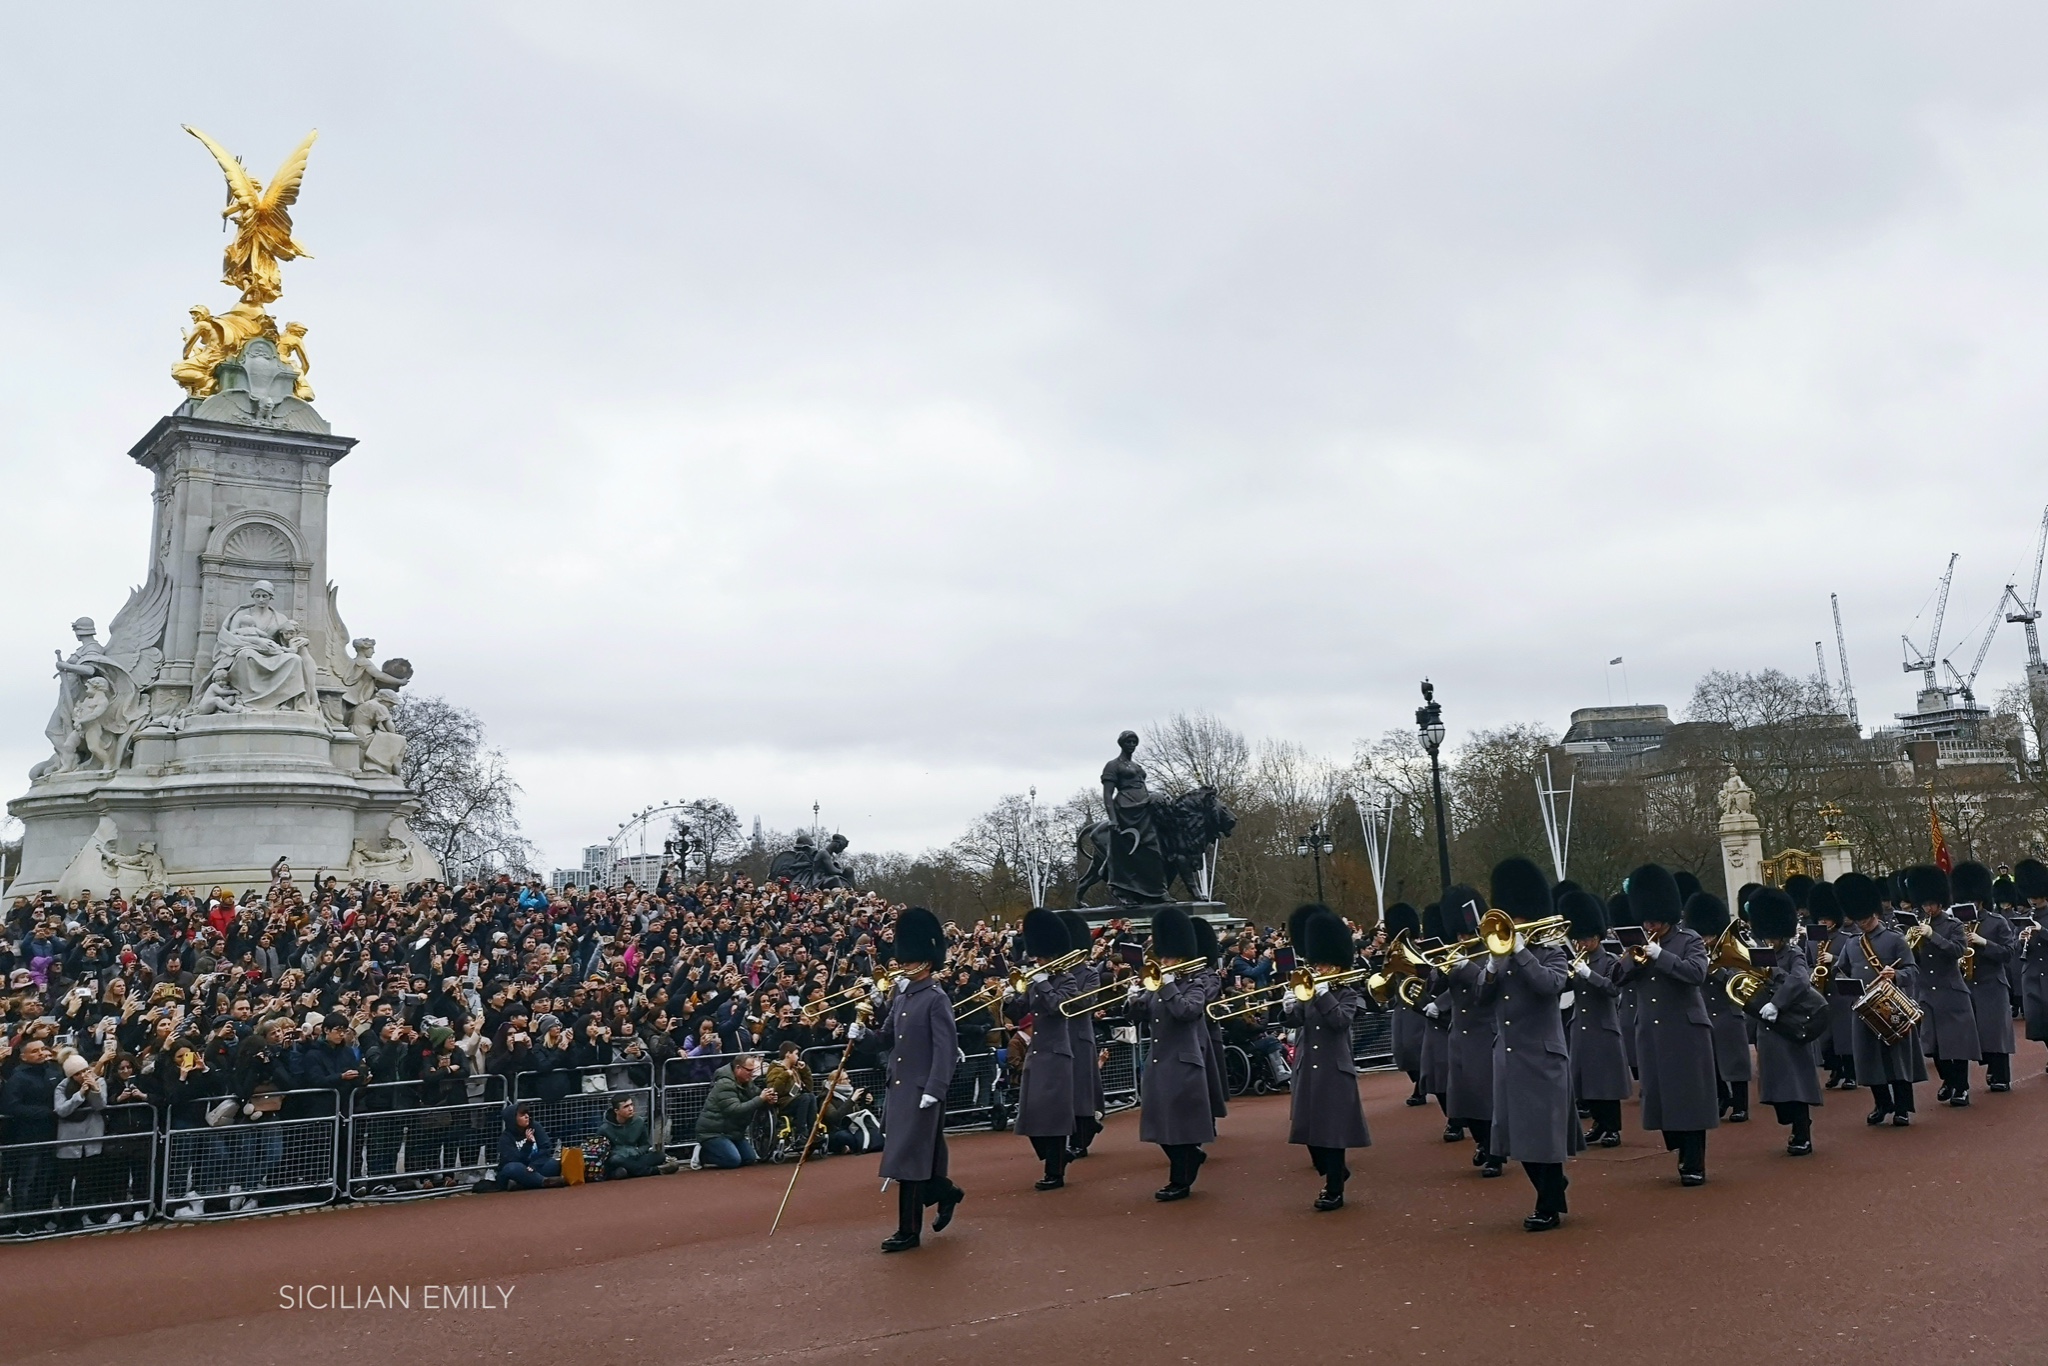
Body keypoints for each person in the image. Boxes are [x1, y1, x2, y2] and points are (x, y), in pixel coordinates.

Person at [1476, 859, 1580, 1231]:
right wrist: (1490, 967)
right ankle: (1551, 1190)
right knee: (1519, 1139)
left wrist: (1521, 952)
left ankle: (1548, 1205)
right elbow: (1481, 1000)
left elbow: (1550, 986)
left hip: (1541, 1055)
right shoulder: (1500, 954)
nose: (1513, 926)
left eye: (1518, 919)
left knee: (1543, 1137)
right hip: (1509, 1056)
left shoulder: (1551, 951)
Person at [859, 905, 961, 1253]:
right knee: (910, 1159)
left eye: (908, 958)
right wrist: (861, 1035)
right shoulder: (902, 996)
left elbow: (946, 1049)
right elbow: (886, 1038)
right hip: (900, 1088)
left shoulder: (936, 999)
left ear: (926, 961)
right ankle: (947, 1193)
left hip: (921, 1092)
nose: (901, 964)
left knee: (909, 1162)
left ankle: (908, 1231)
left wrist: (935, 1089)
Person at [1615, 865, 1718, 1187]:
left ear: (1668, 916)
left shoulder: (1689, 941)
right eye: (1646, 921)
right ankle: (1679, 1148)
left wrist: (1661, 956)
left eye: (1654, 921)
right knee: (1662, 1097)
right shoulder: (1640, 944)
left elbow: (1695, 974)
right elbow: (1615, 980)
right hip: (1651, 1031)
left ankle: (1694, 1160)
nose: (1649, 926)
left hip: (1684, 1031)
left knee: (1689, 1098)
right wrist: (1631, 959)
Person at [1284, 907, 1371, 1211]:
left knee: (1332, 1132)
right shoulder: (1311, 989)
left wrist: (1322, 995)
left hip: (1334, 1069)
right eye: (1316, 963)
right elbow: (1297, 1021)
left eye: (1324, 964)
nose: (1319, 969)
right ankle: (1335, 1173)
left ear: (1337, 966)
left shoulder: (1349, 992)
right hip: (1308, 1066)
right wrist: (1290, 1005)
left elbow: (1340, 1022)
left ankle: (1334, 1187)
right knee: (1309, 1132)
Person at [1128, 906, 1215, 1201]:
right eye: (1161, 956)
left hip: (1181, 1060)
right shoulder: (1158, 984)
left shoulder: (1195, 983)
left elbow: (1187, 1012)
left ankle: (1180, 1180)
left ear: (1181, 958)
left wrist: (1165, 988)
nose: (1162, 962)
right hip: (1158, 1060)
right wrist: (1134, 999)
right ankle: (1191, 1156)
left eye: (1167, 958)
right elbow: (1142, 1015)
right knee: (1158, 1123)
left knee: (1175, 1124)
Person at [1834, 872, 1925, 1126]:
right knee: (1870, 1059)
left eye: (1866, 918)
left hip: (1890, 1006)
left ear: (1875, 914)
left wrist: (1895, 974)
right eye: (1859, 919)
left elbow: (1912, 970)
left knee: (1898, 1059)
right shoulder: (1852, 944)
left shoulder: (1894, 939)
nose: (1862, 923)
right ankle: (1882, 1103)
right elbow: (1840, 970)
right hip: (1864, 1007)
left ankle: (1903, 1108)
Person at [1005, 907, 1079, 1191]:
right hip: (1037, 1052)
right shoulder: (1038, 980)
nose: (1037, 960)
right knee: (1032, 1115)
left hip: (1057, 1052)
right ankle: (1058, 1157)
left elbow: (1058, 1008)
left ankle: (1055, 1171)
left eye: (1042, 956)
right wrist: (1013, 997)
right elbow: (1021, 1011)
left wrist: (1042, 983)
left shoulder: (1067, 980)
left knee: (1054, 1117)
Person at [1747, 888, 1823, 1156]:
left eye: (1773, 936)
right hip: (1767, 1028)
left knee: (1796, 1083)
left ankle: (1802, 1131)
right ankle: (1794, 1123)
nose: (1769, 941)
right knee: (1776, 1086)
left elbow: (1801, 980)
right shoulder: (1754, 953)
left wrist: (1776, 1002)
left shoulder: (1794, 954)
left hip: (1791, 1025)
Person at [1902, 864, 1980, 1107]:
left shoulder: (1953, 924)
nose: (1927, 908)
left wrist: (1931, 936)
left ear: (1940, 902)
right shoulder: (1914, 926)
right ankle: (1948, 1079)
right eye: (1923, 904)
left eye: (1931, 904)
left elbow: (1958, 950)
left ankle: (1961, 1087)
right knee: (1933, 1045)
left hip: (1951, 989)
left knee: (1956, 1043)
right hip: (1927, 991)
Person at [1439, 887, 1502, 1177]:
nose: (1461, 939)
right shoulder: (1456, 954)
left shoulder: (1491, 952)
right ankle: (1481, 1142)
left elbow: (1485, 988)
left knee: (1485, 1098)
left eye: (1465, 934)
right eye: (1459, 934)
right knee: (1463, 1098)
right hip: (1459, 1034)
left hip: (1483, 1033)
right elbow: (1433, 988)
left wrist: (1462, 966)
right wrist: (1436, 971)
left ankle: (1494, 1152)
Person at [1562, 890, 1627, 1147]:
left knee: (1606, 1083)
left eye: (1586, 939)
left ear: (1597, 938)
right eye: (1578, 940)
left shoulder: (1610, 961)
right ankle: (1599, 1124)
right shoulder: (1576, 961)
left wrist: (1589, 974)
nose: (1581, 944)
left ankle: (1613, 1128)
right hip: (1581, 1026)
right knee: (1587, 1082)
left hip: (1603, 1027)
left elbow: (1613, 989)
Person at [1952, 861, 2016, 1094]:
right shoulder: (1956, 924)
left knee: (1995, 1031)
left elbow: (2008, 953)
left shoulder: (1996, 922)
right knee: (1970, 1033)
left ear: (1979, 900)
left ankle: (2001, 1075)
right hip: (1966, 983)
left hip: (1992, 983)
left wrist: (1983, 943)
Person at [1687, 893, 1753, 1123]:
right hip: (1705, 1010)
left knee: (1736, 1062)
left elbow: (1740, 980)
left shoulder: (1734, 948)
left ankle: (1741, 1105)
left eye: (1709, 936)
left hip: (1729, 1011)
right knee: (1711, 1061)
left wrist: (1715, 970)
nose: (1705, 940)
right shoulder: (1695, 950)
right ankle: (1723, 1098)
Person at [1057, 911, 1107, 1161]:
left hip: (1079, 1035)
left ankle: (1081, 1139)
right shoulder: (1054, 973)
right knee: (1064, 1091)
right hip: (1058, 1038)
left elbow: (1086, 1001)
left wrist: (1062, 990)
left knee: (1081, 1091)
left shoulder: (1090, 973)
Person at [1, 1039, 62, 1232]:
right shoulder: (18, 1078)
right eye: (35, 1051)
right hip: (27, 1137)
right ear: (24, 1056)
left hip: (51, 1135)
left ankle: (39, 1219)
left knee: (44, 1180)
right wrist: (44, 1112)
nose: (41, 1053)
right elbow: (10, 1106)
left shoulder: (54, 1073)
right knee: (26, 1180)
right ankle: (23, 1222)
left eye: (43, 1049)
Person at [1810, 883, 1858, 1091]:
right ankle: (1835, 1070)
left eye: (1827, 919)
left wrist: (1834, 959)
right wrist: (1811, 972)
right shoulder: (1812, 940)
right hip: (1820, 993)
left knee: (1844, 1036)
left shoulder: (1847, 939)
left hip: (1840, 992)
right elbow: (1806, 961)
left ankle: (1851, 1074)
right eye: (1821, 919)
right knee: (1826, 1037)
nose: (1823, 922)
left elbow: (1854, 964)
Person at [1380, 903, 1428, 1106]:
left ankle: (1424, 1085)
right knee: (1401, 1051)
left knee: (1416, 1048)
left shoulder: (1418, 948)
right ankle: (1420, 1082)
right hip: (1402, 1004)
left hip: (1420, 1004)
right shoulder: (1394, 950)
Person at [694, 1054, 776, 1168]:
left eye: (753, 1070)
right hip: (713, 1132)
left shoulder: (746, 1082)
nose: (751, 1073)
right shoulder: (724, 1084)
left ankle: (724, 1150)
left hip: (732, 1132)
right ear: (738, 1068)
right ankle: (701, 1154)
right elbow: (735, 1110)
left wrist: (768, 1098)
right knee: (732, 1161)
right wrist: (761, 1099)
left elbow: (757, 1095)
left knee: (749, 1158)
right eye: (748, 1070)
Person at [2017, 859, 2048, 1069]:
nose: (2032, 901)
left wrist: (2042, 932)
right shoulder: (2026, 917)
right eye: (2030, 898)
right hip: (2032, 975)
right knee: (2039, 1022)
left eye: (2036, 897)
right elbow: (2013, 947)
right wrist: (2020, 939)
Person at [495, 1103, 565, 1189]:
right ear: (513, 1119)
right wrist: (528, 1144)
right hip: (520, 1168)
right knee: (512, 1168)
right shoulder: (506, 1138)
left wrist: (534, 1165)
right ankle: (543, 1182)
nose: (527, 1116)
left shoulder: (535, 1127)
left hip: (534, 1166)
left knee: (553, 1164)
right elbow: (515, 1160)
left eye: (527, 1114)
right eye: (522, 1115)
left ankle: (522, 1184)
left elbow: (546, 1148)